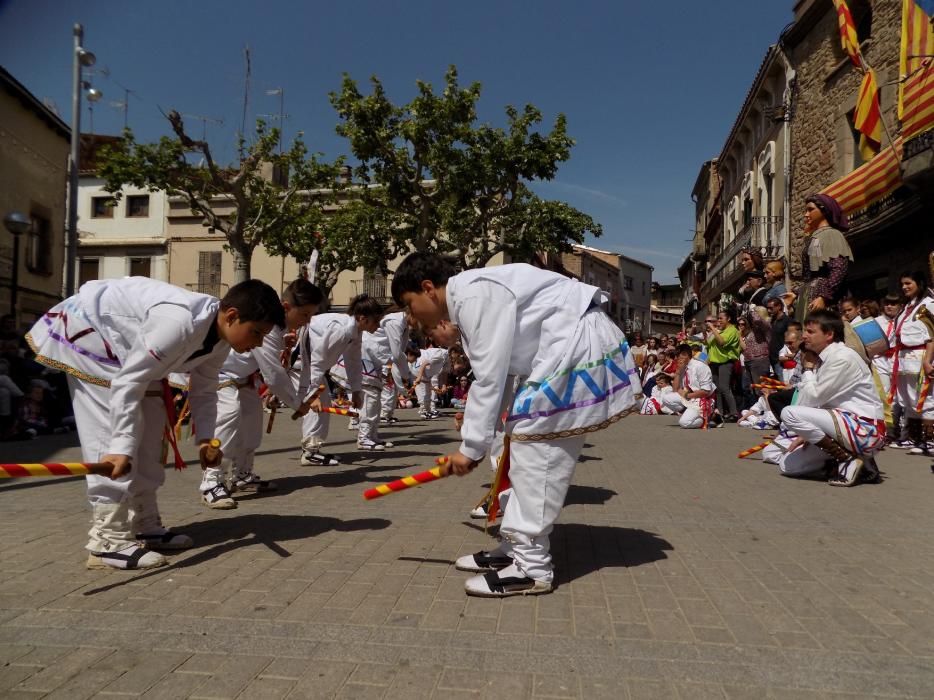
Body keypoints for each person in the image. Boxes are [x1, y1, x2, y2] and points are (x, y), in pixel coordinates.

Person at [391, 252, 639, 597]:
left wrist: (470, 448)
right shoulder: (471, 296)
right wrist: (481, 437)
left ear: (428, 288)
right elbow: (499, 373)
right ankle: (516, 547)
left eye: (408, 303)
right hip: (563, 348)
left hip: (575, 346)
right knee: (518, 442)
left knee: (536, 448)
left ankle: (531, 567)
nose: (410, 314)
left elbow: (489, 378)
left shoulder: (473, 295)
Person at [25, 277, 283, 570]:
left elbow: (204, 389)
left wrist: (208, 441)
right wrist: (121, 446)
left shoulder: (220, 340)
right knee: (109, 435)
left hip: (124, 354)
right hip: (90, 334)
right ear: (232, 316)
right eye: (257, 333)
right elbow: (127, 381)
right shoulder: (179, 322)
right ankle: (107, 540)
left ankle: (145, 523)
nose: (259, 343)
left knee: (151, 428)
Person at [200, 278, 323, 509]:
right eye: (305, 314)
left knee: (252, 426)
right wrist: (298, 403)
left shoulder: (278, 329)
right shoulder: (270, 326)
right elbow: (273, 375)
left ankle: (242, 474)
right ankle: (211, 481)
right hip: (221, 375)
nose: (307, 321)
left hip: (244, 378)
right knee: (226, 422)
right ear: (287, 307)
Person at [776, 310, 884, 486]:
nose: (804, 336)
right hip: (840, 425)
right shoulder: (822, 358)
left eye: (811, 332)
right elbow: (806, 402)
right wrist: (808, 431)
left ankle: (846, 459)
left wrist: (808, 369)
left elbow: (813, 398)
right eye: (805, 331)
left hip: (865, 429)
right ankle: (857, 464)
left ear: (829, 334)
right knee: (788, 465)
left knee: (788, 413)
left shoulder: (842, 357)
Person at [300, 294, 382, 465]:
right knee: (317, 407)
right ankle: (309, 453)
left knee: (322, 405)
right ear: (362, 318)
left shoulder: (355, 331)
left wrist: (356, 390)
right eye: (375, 320)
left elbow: (353, 361)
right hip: (303, 363)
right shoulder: (341, 329)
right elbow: (318, 358)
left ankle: (312, 450)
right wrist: (314, 390)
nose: (378, 325)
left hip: (311, 366)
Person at [889, 271, 934, 455]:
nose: (904, 287)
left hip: (922, 356)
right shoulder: (908, 307)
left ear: (919, 283)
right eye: (902, 284)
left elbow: (932, 336)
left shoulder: (929, 304)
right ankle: (913, 438)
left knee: (927, 399)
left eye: (908, 283)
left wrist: (928, 361)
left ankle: (930, 441)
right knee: (908, 398)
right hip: (905, 358)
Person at [792, 194, 853, 320]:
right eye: (805, 210)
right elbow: (812, 276)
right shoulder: (814, 238)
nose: (806, 214)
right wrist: (796, 293)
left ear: (824, 210)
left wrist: (824, 297)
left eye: (810, 209)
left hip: (826, 303)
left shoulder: (832, 235)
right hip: (810, 298)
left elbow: (839, 269)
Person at [661, 344, 716, 428]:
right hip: (690, 396)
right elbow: (675, 389)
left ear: (685, 355)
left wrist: (687, 395)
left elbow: (706, 391)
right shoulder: (683, 367)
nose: (676, 359)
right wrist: (678, 372)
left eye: (678, 356)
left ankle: (707, 418)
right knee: (666, 399)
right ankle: (690, 412)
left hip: (703, 399)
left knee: (684, 423)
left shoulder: (700, 366)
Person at [873, 294, 904, 445]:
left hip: (899, 360)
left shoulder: (903, 319)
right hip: (880, 360)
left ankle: (898, 428)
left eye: (893, 304)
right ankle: (887, 430)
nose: (889, 307)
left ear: (900, 305)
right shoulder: (876, 322)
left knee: (899, 396)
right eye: (887, 304)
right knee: (884, 395)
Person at [374, 310, 413, 425]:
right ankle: (383, 415)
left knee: (391, 391)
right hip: (381, 361)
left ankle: (387, 415)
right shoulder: (395, 322)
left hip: (386, 361)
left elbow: (399, 352)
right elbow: (397, 353)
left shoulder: (403, 325)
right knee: (387, 391)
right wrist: (406, 375)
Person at [706, 309, 741, 421]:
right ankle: (720, 412)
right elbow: (708, 342)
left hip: (726, 362)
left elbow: (722, 342)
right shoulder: (720, 330)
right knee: (718, 389)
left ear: (728, 319)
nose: (719, 320)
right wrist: (714, 330)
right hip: (715, 362)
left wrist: (712, 328)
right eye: (718, 318)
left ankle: (734, 413)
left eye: (721, 318)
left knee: (725, 388)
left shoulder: (732, 330)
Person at [766, 296, 791, 379]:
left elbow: (791, 339)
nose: (769, 310)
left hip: (781, 360)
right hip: (771, 359)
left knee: (783, 384)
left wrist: (786, 355)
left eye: (771, 308)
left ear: (779, 306)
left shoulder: (787, 321)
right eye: (767, 308)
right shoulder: (771, 321)